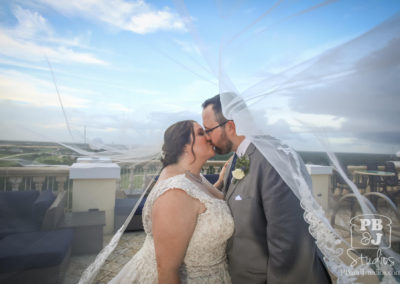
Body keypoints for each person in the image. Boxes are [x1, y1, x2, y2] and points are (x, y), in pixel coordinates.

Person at [202, 94, 332, 284]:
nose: (207, 137)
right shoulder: (235, 161)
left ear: (230, 126)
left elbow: (289, 242)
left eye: (208, 129)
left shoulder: (276, 159)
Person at [109, 120, 234, 284]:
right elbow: (167, 270)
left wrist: (219, 181)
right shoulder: (175, 193)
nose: (209, 135)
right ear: (184, 146)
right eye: (201, 133)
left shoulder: (194, 176)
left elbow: (202, 201)